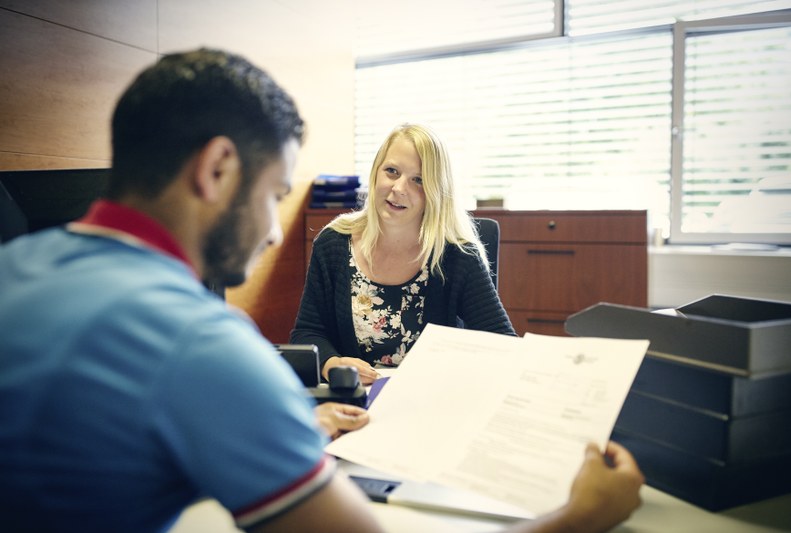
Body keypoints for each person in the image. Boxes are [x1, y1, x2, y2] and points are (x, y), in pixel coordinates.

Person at [0, 49, 644, 533]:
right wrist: (580, 518)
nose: (275, 237)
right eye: (276, 195)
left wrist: (280, 429)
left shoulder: (14, 268)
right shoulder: (204, 346)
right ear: (218, 169)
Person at [291, 124, 516, 385]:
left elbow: (503, 345)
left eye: (418, 180)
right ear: (376, 172)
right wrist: (332, 364)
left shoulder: (455, 253)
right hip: (356, 402)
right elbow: (308, 333)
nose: (398, 188)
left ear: (436, 191)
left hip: (432, 400)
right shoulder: (333, 244)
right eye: (391, 171)